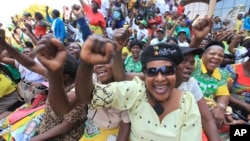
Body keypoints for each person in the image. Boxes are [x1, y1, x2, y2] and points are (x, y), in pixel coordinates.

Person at [176, 47, 220, 141]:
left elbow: (207, 119)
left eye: (192, 62)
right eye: (184, 61)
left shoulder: (191, 83)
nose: (189, 66)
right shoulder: (159, 85)